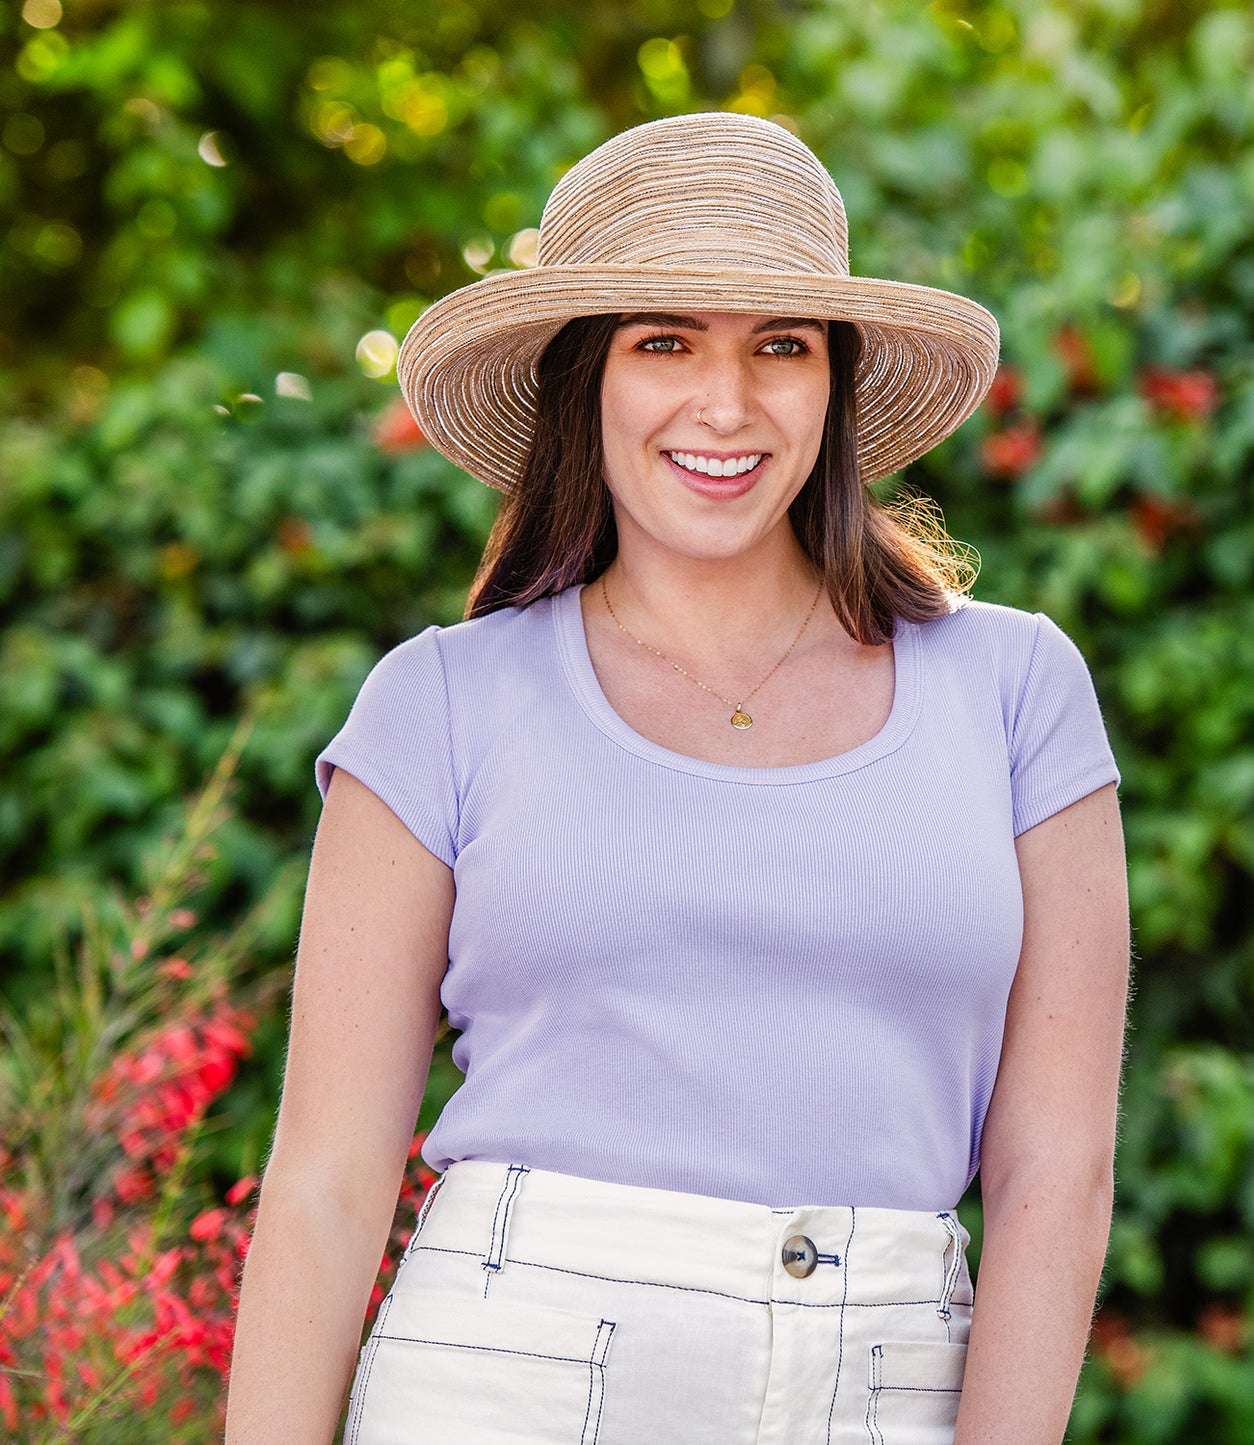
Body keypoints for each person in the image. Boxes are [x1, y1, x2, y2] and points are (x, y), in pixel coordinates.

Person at [224, 111, 1130, 1445]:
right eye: (663, 343)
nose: (727, 404)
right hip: (500, 1382)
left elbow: (1056, 1165)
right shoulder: (440, 705)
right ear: (584, 379)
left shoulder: (1013, 692)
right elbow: (323, 1184)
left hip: (887, 1384)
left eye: (780, 346)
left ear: (833, 381)